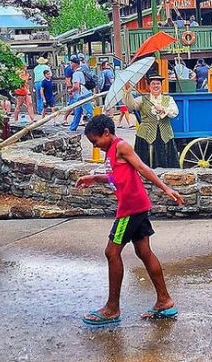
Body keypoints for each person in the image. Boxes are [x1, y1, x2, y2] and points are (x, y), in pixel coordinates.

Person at [76, 115, 184, 325]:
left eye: (95, 141)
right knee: (143, 251)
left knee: (111, 251)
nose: (95, 146)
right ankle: (164, 301)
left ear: (106, 133)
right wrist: (95, 178)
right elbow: (119, 175)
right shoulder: (111, 151)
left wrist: (166, 188)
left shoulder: (121, 146)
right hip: (138, 205)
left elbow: (143, 169)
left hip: (130, 208)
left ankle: (112, 308)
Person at [122, 75, 179, 168]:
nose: (156, 86)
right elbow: (131, 106)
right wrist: (128, 93)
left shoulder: (168, 99)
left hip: (165, 134)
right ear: (149, 86)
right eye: (153, 84)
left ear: (161, 86)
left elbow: (175, 112)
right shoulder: (142, 99)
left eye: (158, 84)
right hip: (145, 135)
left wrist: (163, 109)